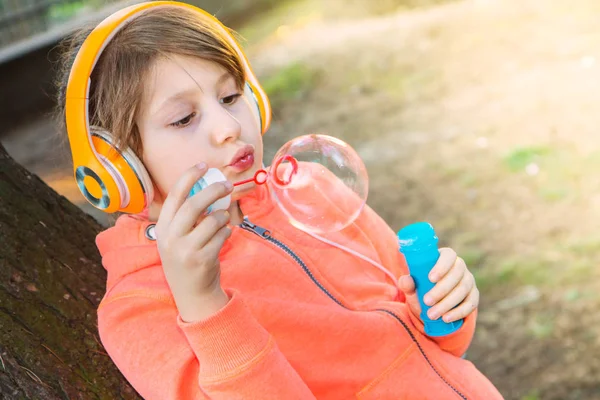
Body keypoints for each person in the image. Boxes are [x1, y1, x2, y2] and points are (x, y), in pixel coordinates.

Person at [56, 2, 503, 399]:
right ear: (115, 164)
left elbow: (434, 342)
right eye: (184, 118)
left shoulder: (310, 186)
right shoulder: (141, 307)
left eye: (231, 95)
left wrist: (447, 302)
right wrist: (204, 304)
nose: (227, 125)